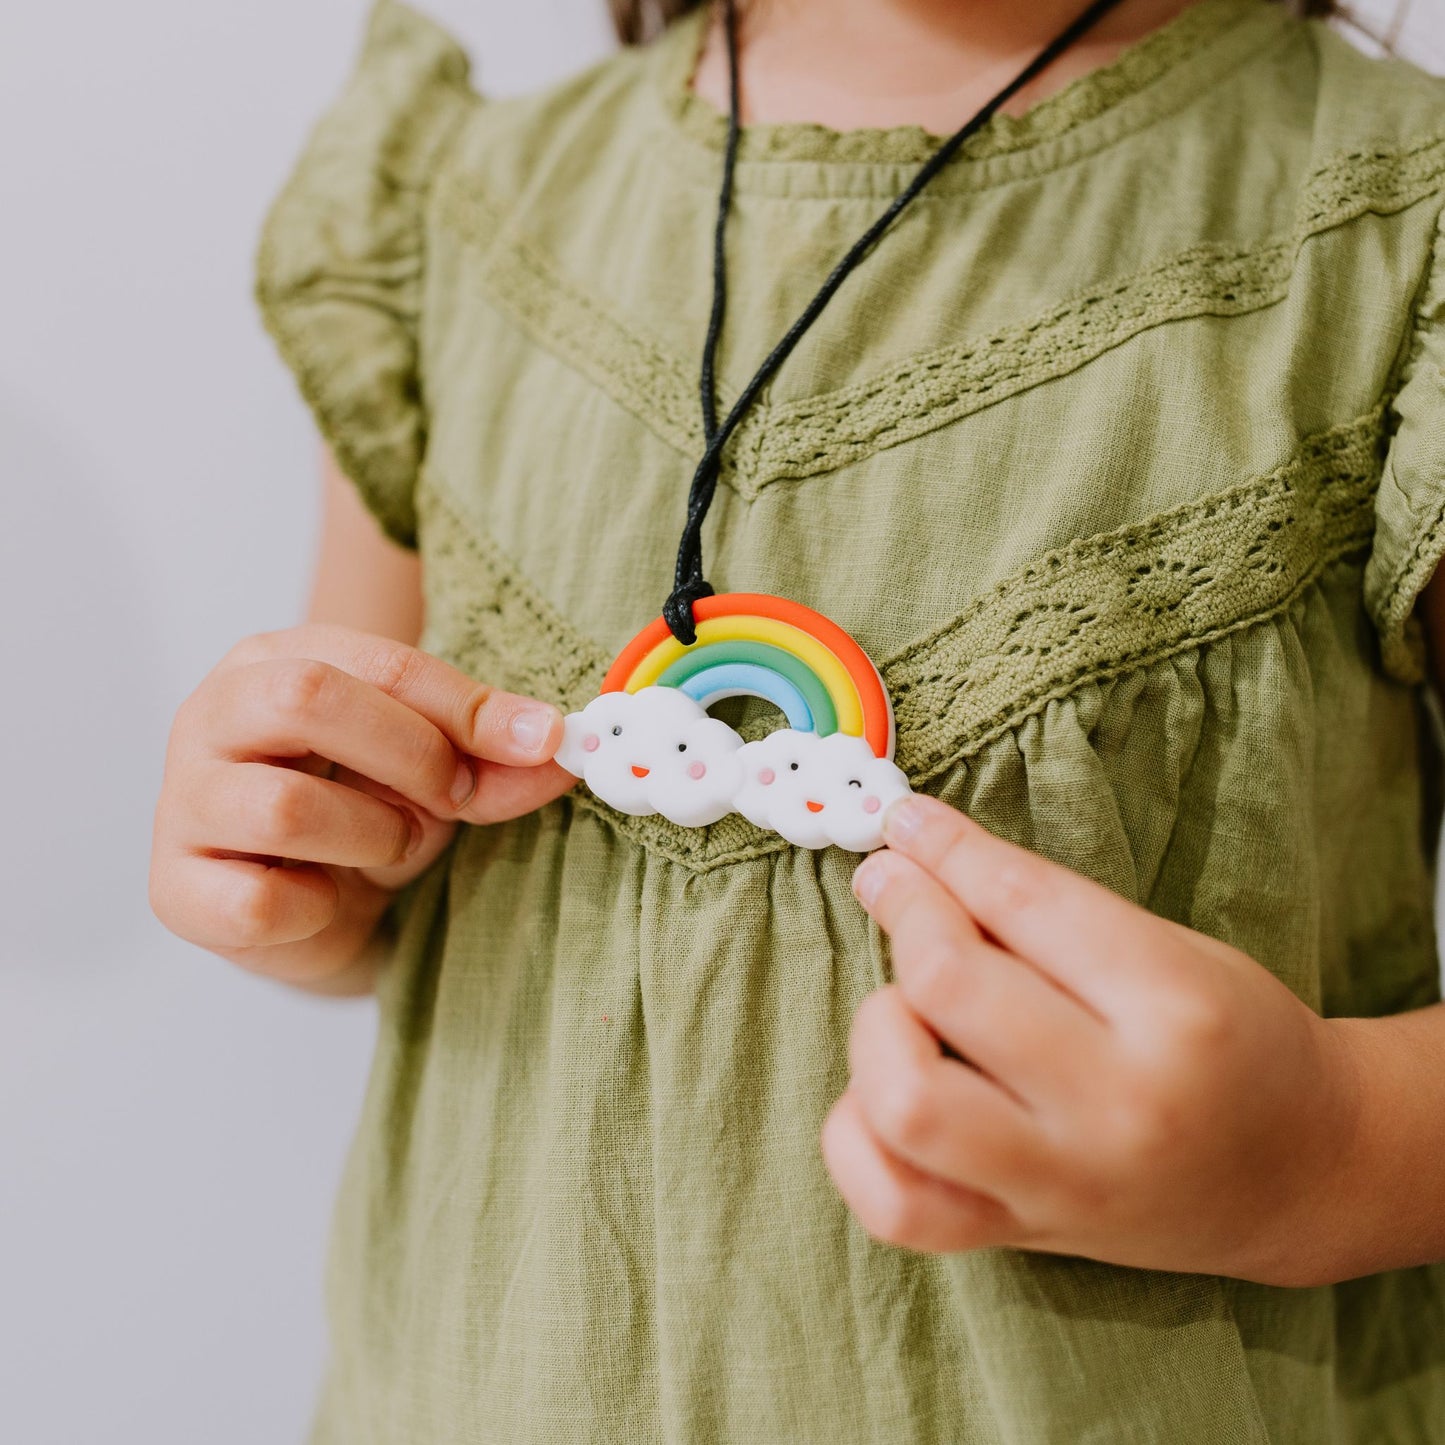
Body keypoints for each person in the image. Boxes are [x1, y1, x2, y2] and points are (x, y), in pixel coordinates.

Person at [149, 0, 1445, 1438]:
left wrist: (1321, 1151)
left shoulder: (1397, 231)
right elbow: (380, 872)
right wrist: (296, 870)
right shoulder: (458, 212)